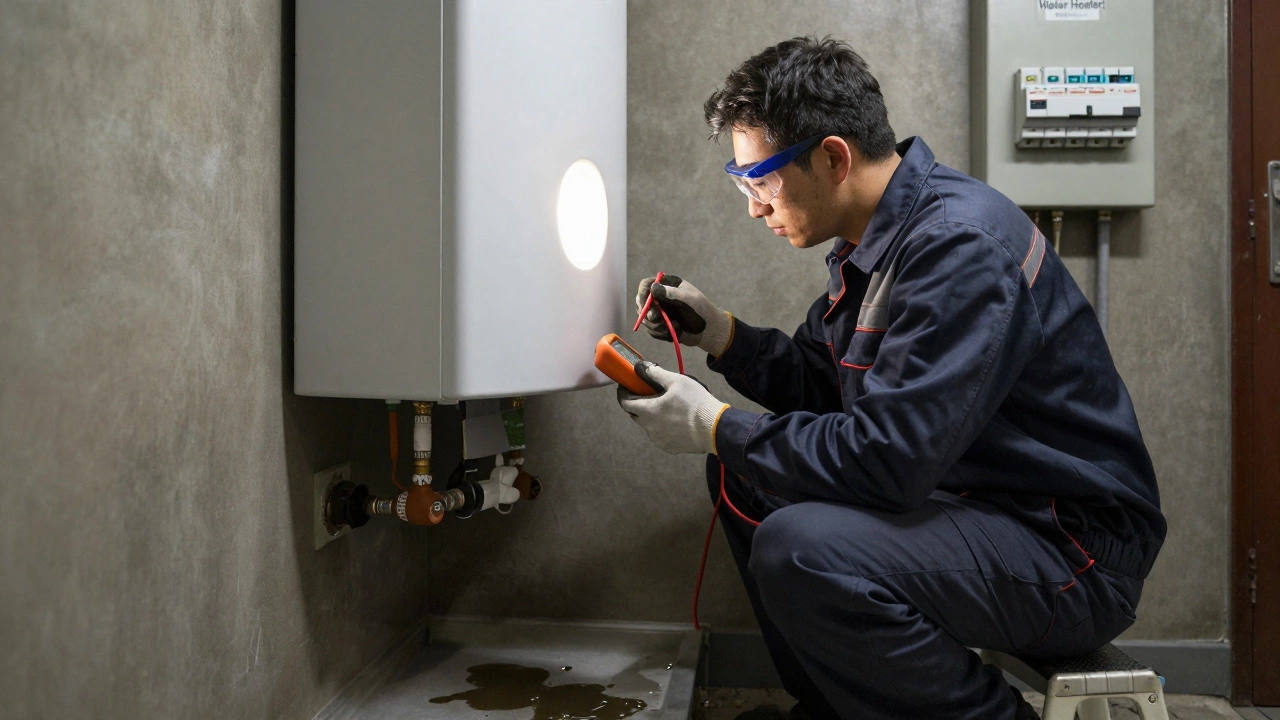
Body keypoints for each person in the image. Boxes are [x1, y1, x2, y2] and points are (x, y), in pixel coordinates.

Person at [615, 36, 1165, 720]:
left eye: (760, 179)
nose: (754, 205)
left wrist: (717, 425)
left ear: (833, 157)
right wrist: (722, 336)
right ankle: (834, 705)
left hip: (1067, 551)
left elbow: (887, 461)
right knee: (742, 472)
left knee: (800, 549)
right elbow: (828, 384)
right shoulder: (879, 240)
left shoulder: (960, 248)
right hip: (979, 504)